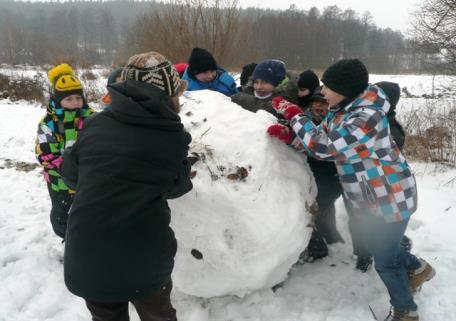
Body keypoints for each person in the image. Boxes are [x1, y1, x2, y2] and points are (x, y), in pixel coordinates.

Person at [269, 58, 435, 321]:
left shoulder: (366, 117)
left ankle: (406, 311)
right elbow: (321, 141)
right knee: (379, 245)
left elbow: (325, 147)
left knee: (385, 260)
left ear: (345, 89)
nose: (322, 92)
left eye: (327, 87)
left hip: (391, 196)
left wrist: (295, 115)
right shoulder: (343, 110)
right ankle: (418, 268)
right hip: (371, 197)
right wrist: (291, 136)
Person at [61, 51, 193, 321]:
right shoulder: (171, 135)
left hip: (87, 257)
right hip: (143, 260)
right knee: (158, 316)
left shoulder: (96, 124)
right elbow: (178, 187)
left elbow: (71, 176)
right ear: (168, 93)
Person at [35, 63, 94, 239]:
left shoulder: (92, 118)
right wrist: (69, 170)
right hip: (58, 180)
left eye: (78, 97)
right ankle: (68, 239)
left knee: (86, 213)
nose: (75, 103)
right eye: (69, 99)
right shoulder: (48, 124)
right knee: (61, 215)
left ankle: (83, 240)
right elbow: (45, 154)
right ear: (57, 99)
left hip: (87, 179)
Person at [231, 59, 298, 116]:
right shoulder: (248, 91)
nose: (259, 87)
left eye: (265, 82)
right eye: (256, 82)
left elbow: (272, 111)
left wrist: (239, 98)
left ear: (277, 83)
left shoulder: (286, 99)